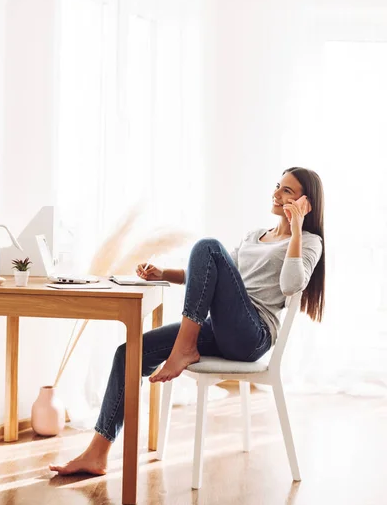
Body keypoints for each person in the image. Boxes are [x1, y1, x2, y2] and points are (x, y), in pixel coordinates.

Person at [50, 166, 325, 476]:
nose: (277, 193)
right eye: (278, 186)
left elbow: (291, 285)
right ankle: (97, 453)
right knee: (128, 354)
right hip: (220, 329)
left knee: (208, 246)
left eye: (287, 191)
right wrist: (164, 273)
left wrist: (298, 230)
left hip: (252, 335)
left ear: (306, 202)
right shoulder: (256, 235)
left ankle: (184, 347)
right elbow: (211, 276)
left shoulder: (309, 241)